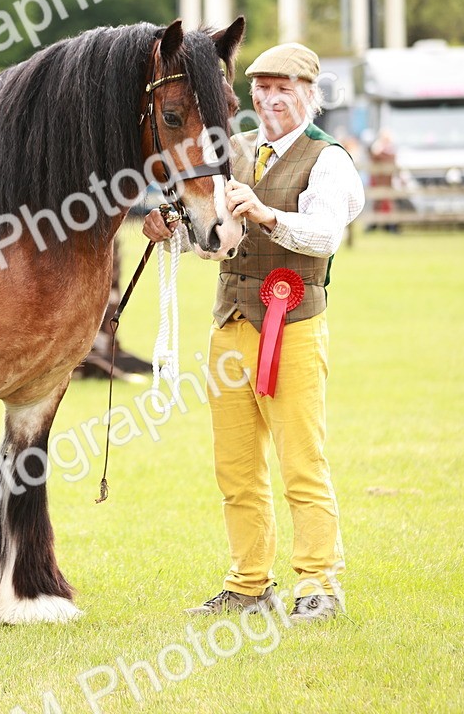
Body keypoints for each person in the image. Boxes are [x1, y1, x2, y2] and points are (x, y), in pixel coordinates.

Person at [141, 42, 364, 624]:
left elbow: (323, 236)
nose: (270, 99)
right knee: (236, 469)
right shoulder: (233, 152)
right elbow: (213, 244)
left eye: (283, 89)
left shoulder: (328, 159)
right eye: (262, 88)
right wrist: (171, 230)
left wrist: (265, 213)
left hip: (293, 328)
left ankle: (319, 584)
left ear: (308, 96)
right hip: (230, 326)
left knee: (301, 463)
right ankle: (248, 584)